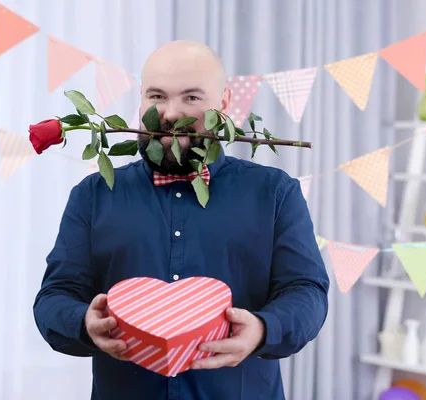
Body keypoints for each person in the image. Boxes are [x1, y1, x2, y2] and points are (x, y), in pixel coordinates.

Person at [33, 40, 329, 400]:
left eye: (191, 98)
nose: (171, 114)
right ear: (141, 100)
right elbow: (54, 297)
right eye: (157, 96)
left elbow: (307, 291)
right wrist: (84, 324)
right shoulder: (92, 196)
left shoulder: (275, 193)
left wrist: (263, 329)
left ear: (224, 103)